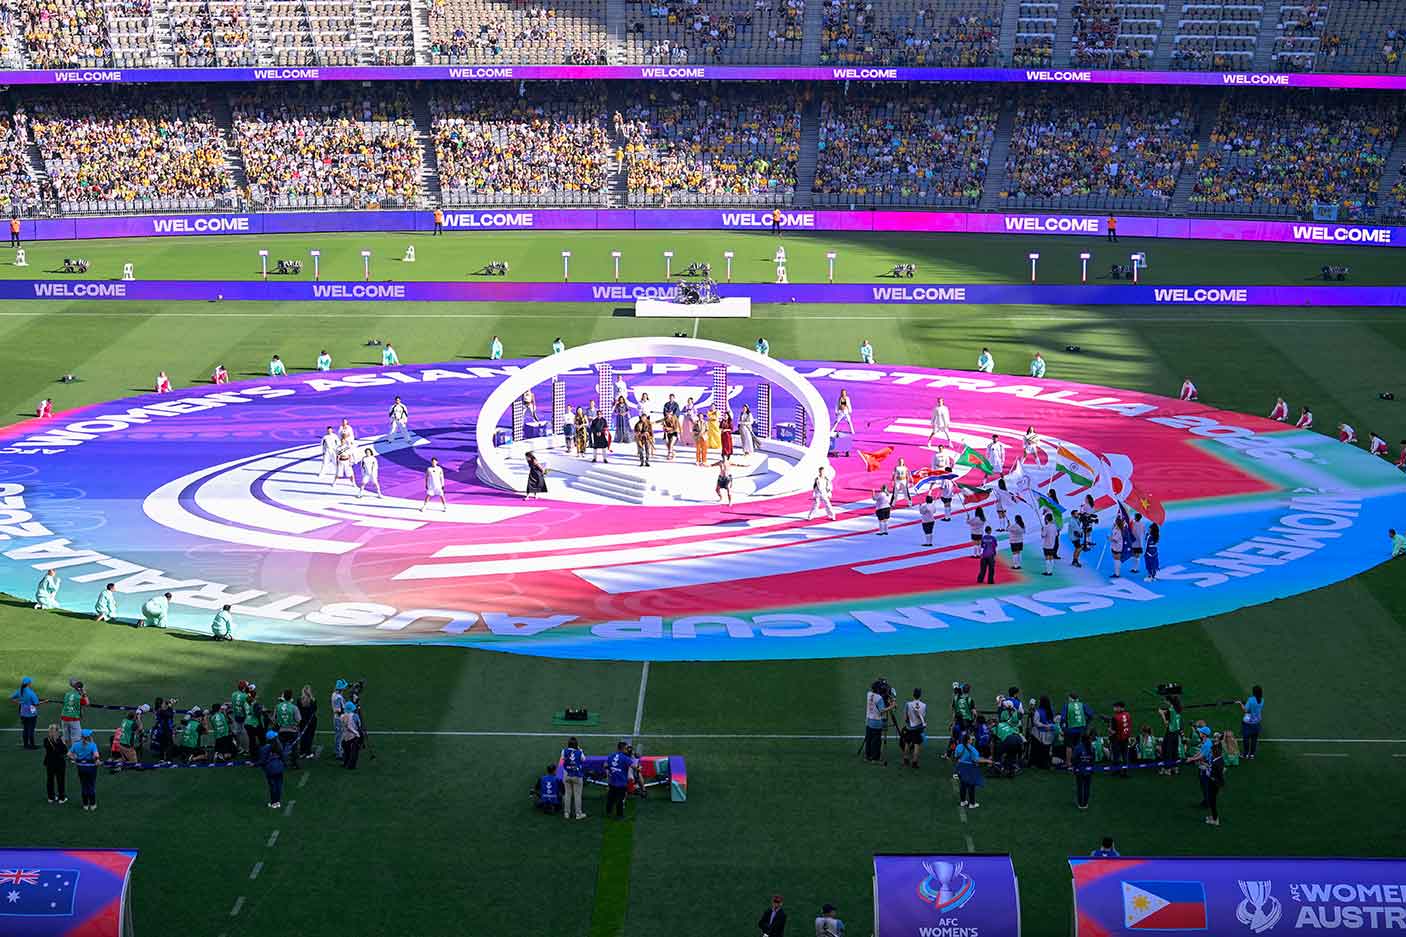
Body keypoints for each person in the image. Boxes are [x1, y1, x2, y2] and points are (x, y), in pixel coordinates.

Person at [954, 731, 989, 808]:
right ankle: (972, 804)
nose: (972, 740)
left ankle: (963, 801)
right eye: (971, 739)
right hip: (970, 768)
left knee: (963, 785)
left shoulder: (959, 746)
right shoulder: (972, 749)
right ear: (968, 740)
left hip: (960, 767)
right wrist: (987, 760)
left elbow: (956, 756)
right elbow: (976, 760)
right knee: (971, 786)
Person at [70, 727, 100, 811]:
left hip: (81, 768)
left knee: (84, 786)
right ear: (89, 736)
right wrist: (96, 760)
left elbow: (69, 754)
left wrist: (75, 759)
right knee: (91, 785)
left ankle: (85, 805)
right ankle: (93, 804)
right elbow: (96, 756)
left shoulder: (76, 744)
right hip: (91, 768)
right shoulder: (92, 745)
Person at [863, 681, 892, 763]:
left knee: (869, 739)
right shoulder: (879, 698)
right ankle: (875, 758)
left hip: (868, 721)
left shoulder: (868, 694)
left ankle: (867, 756)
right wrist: (891, 706)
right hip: (876, 722)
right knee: (876, 741)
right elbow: (882, 710)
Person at [257, 729, 286, 808]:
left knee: (273, 786)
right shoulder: (279, 746)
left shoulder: (263, 748)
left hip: (270, 769)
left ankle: (273, 802)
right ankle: (278, 802)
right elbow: (283, 757)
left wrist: (255, 764)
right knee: (279, 785)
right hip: (279, 768)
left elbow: (262, 761)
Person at [605, 740, 634, 819]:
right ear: (623, 749)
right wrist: (639, 768)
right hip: (621, 783)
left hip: (612, 781)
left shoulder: (611, 756)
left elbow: (605, 765)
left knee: (610, 798)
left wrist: (612, 769)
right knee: (620, 800)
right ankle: (619, 815)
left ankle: (608, 812)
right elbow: (634, 766)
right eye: (626, 748)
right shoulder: (625, 758)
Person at [561, 736, 586, 820]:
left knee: (567, 794)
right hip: (577, 775)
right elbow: (583, 760)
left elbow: (562, 760)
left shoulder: (564, 751)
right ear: (576, 745)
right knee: (577, 795)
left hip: (567, 774)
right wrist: (580, 750)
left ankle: (566, 813)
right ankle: (578, 814)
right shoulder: (579, 752)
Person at [900, 688, 927, 769]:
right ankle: (914, 762)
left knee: (907, 743)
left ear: (913, 695)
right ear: (920, 695)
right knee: (916, 745)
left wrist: (908, 722)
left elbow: (905, 718)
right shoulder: (924, 705)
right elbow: (923, 717)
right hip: (918, 729)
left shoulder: (908, 704)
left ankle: (905, 760)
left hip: (909, 728)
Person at [274, 689, 301, 767]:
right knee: (294, 748)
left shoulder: (278, 706)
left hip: (281, 731)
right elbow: (299, 720)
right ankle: (294, 764)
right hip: (292, 731)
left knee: (281, 747)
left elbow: (274, 719)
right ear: (290, 697)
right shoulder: (294, 707)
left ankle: (281, 762)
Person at [1157, 695, 1183, 775]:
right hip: (1176, 733)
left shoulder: (1170, 710)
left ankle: (1167, 769)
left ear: (1169, 701)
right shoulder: (1178, 708)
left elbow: (1166, 723)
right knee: (1174, 750)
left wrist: (1162, 714)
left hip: (1170, 732)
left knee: (1166, 750)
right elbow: (1173, 715)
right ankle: (1175, 768)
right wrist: (1165, 712)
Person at [11, 677, 40, 749]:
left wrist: (19, 702)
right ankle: (32, 745)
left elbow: (12, 697)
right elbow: (36, 704)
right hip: (31, 713)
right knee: (31, 729)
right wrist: (44, 702)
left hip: (23, 713)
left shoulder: (19, 691)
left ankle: (26, 745)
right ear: (29, 684)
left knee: (25, 728)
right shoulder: (31, 692)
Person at [1063, 692, 1092, 761]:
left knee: (1069, 746)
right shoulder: (1082, 705)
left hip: (1070, 730)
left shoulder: (1067, 706)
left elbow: (1063, 719)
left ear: (1070, 698)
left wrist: (1063, 728)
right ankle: (1080, 760)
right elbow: (1091, 714)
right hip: (1081, 729)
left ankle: (1068, 762)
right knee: (1079, 744)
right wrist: (1086, 722)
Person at [1029, 696, 1056, 769]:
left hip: (1040, 733)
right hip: (1049, 733)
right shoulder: (1051, 710)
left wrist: (1044, 725)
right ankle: (1045, 764)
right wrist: (1049, 726)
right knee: (1046, 749)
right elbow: (1054, 721)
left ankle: (1035, 763)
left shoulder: (1039, 711)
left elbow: (1036, 722)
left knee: (1037, 749)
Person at [44, 723, 68, 803]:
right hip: (59, 763)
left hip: (49, 762)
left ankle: (51, 797)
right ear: (57, 731)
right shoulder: (60, 740)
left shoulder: (46, 740)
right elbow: (64, 751)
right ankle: (61, 798)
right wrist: (63, 743)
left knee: (50, 780)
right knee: (60, 780)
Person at [1205, 737, 1225, 826]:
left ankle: (1215, 820)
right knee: (1211, 800)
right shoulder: (1219, 759)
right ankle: (1213, 816)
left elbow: (1213, 774)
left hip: (1214, 784)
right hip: (1215, 783)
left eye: (1211, 751)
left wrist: (1206, 770)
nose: (1211, 752)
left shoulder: (1216, 763)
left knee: (1212, 801)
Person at [1071, 732, 1094, 810]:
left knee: (1080, 787)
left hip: (1079, 771)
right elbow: (1092, 760)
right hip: (1088, 771)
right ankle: (1085, 803)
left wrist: (1074, 768)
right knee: (1087, 787)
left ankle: (1081, 804)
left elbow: (1074, 759)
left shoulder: (1078, 748)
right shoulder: (1091, 748)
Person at [60, 679, 87, 745]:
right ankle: (73, 753)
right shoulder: (79, 697)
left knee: (66, 736)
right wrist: (84, 694)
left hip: (64, 717)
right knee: (76, 737)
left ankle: (64, 750)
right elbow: (87, 703)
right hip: (73, 718)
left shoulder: (67, 694)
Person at [1240, 685, 1264, 759]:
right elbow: (1255, 709)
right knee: (1254, 739)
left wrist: (1241, 704)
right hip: (1257, 723)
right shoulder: (1262, 700)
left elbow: (1245, 710)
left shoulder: (1251, 700)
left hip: (1248, 723)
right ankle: (1252, 754)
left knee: (1246, 739)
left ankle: (1245, 754)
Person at [1110, 701, 1133, 777]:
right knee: (1125, 756)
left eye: (1115, 707)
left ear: (1119, 707)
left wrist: (1109, 730)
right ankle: (1125, 772)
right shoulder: (1128, 715)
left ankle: (1116, 770)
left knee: (1116, 756)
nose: (1114, 709)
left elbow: (1113, 731)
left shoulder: (1115, 717)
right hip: (1125, 738)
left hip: (1117, 739)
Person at [341, 701, 363, 769]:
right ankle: (351, 765)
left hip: (345, 737)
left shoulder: (342, 716)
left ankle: (345, 763)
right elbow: (359, 724)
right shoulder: (355, 716)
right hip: (354, 736)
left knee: (346, 751)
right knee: (354, 752)